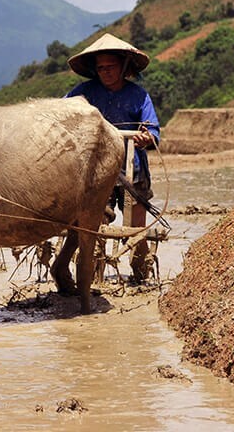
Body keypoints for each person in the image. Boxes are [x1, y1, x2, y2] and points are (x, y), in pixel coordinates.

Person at [65, 33, 160, 282]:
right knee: (95, 228)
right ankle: (93, 279)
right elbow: (63, 113)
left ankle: (140, 275)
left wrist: (146, 137)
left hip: (133, 167)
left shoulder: (139, 96)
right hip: (96, 171)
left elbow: (153, 130)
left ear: (124, 67)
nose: (105, 72)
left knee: (136, 227)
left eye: (110, 67)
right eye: (100, 68)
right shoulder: (83, 93)